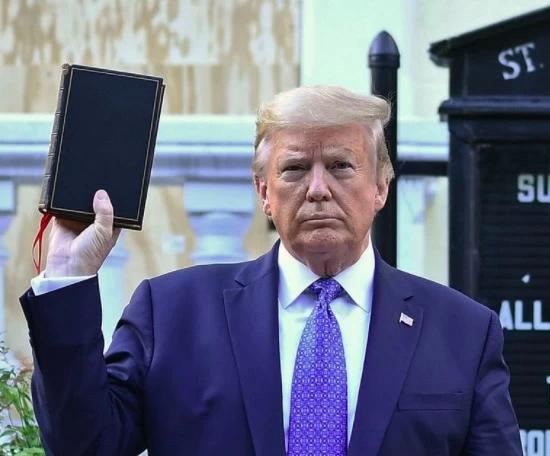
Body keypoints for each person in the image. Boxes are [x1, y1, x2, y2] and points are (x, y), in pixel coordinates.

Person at [20, 86, 522, 455]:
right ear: (263, 191)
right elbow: (83, 446)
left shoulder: (462, 332)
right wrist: (68, 276)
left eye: (342, 167)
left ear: (381, 188)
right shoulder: (173, 312)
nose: (319, 189)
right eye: (296, 168)